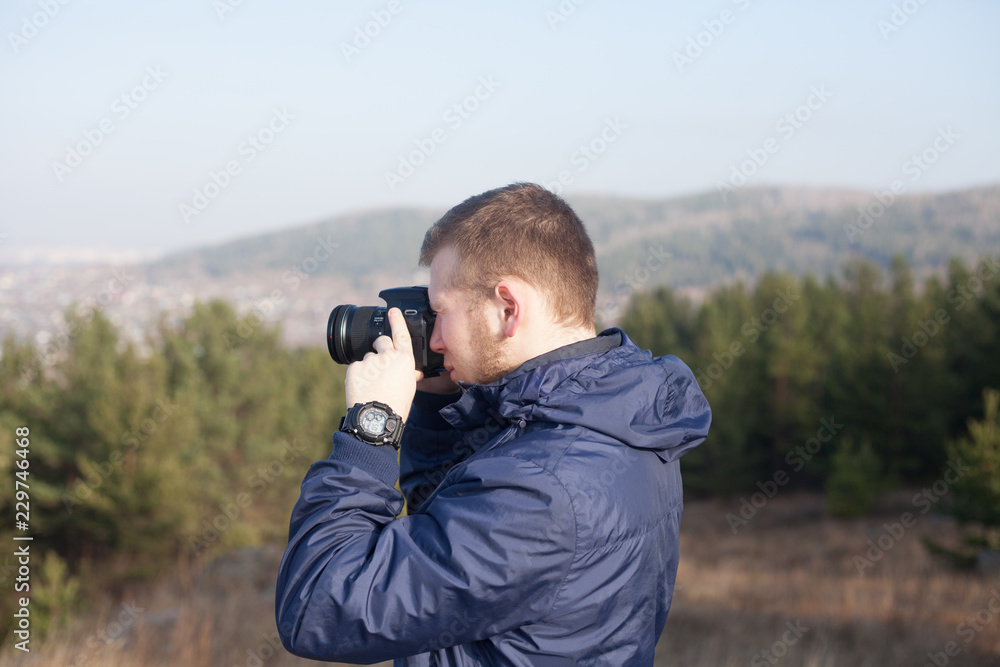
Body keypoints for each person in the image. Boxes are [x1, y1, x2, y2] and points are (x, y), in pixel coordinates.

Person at [275, 183, 712, 665]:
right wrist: (437, 413)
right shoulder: (614, 421)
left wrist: (371, 429)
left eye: (439, 312)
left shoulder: (542, 489)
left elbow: (319, 605)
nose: (434, 339)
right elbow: (444, 534)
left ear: (508, 308)